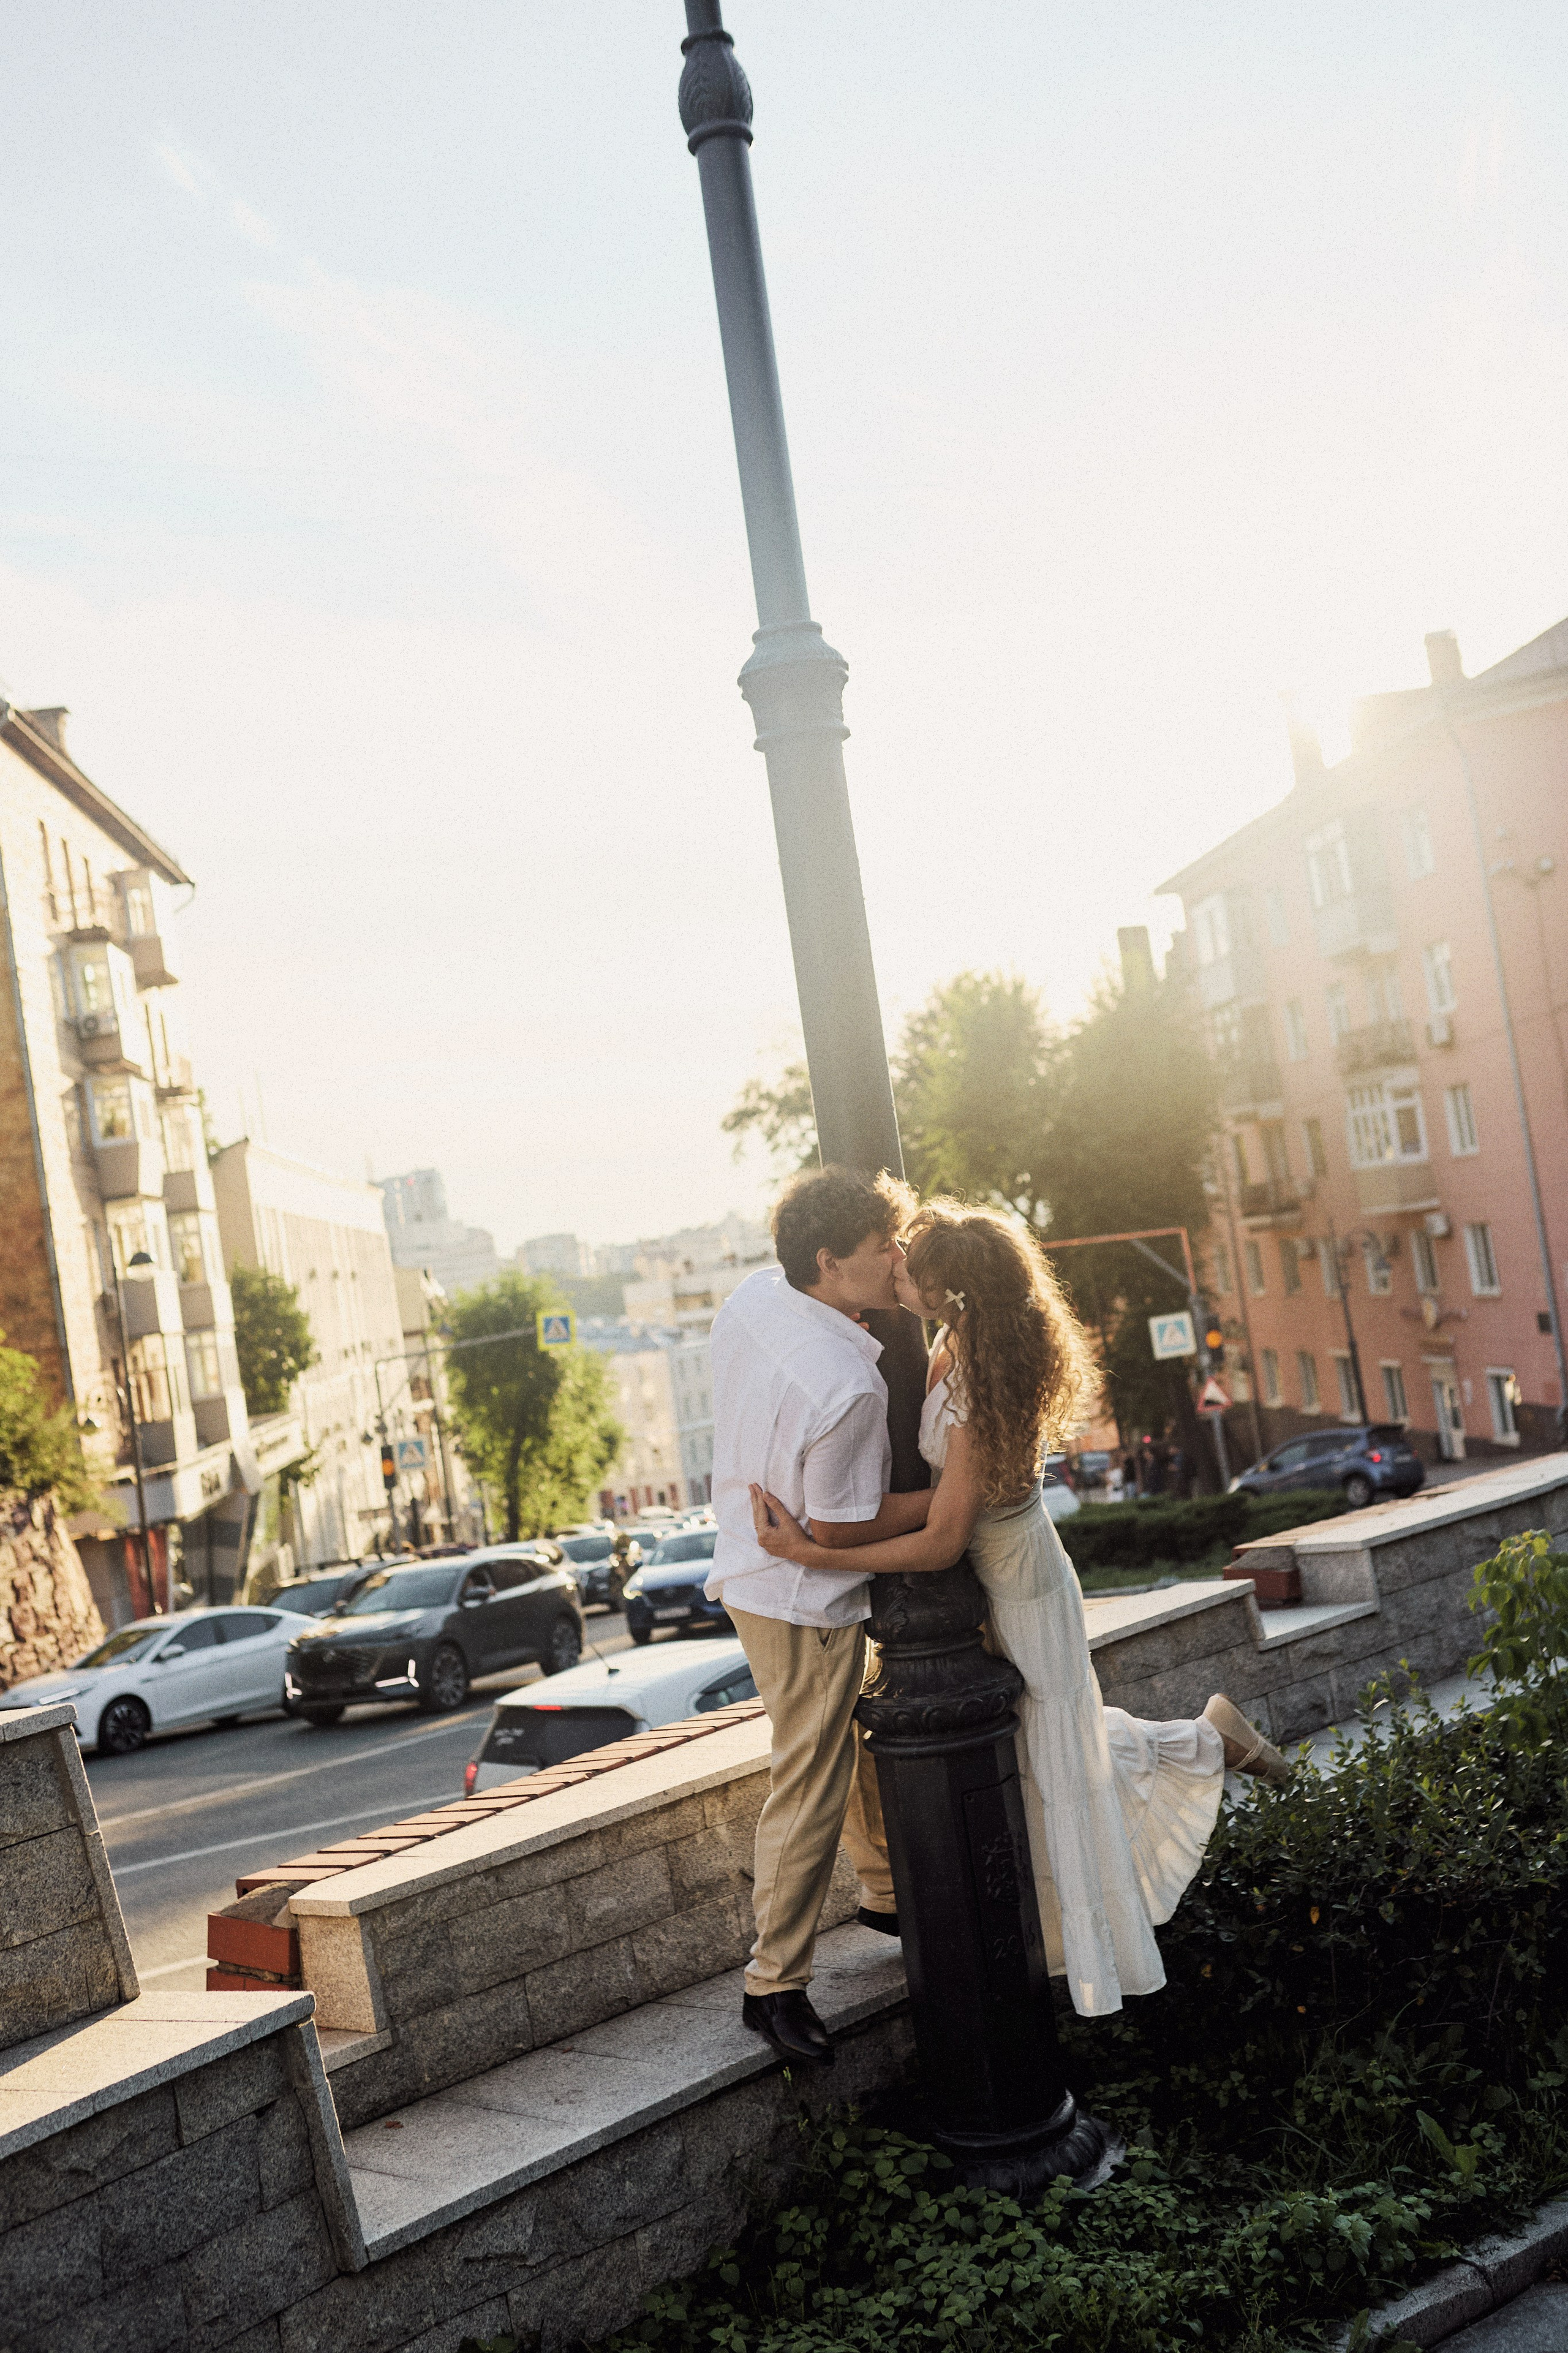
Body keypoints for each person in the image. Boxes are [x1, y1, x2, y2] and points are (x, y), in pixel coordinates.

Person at [749, 1199, 1289, 2021]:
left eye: (908, 1264)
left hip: (1026, 1591)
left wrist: (818, 1552)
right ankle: (1204, 1742)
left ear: (950, 1294)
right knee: (1057, 1753)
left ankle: (1203, 1750)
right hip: (993, 1587)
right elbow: (932, 1501)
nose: (893, 1261)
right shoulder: (956, 1344)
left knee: (1065, 1760)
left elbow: (940, 1536)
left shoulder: (974, 1388)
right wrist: (831, 1519)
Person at [707, 1165, 933, 2068]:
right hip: (807, 1598)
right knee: (811, 1776)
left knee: (849, 1733)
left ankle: (882, 1888)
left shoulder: (755, 1297)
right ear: (830, 1261)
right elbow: (842, 1526)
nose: (900, 1256)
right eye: (885, 1247)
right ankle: (774, 1984)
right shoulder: (850, 1387)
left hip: (748, 1573)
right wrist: (948, 1498)